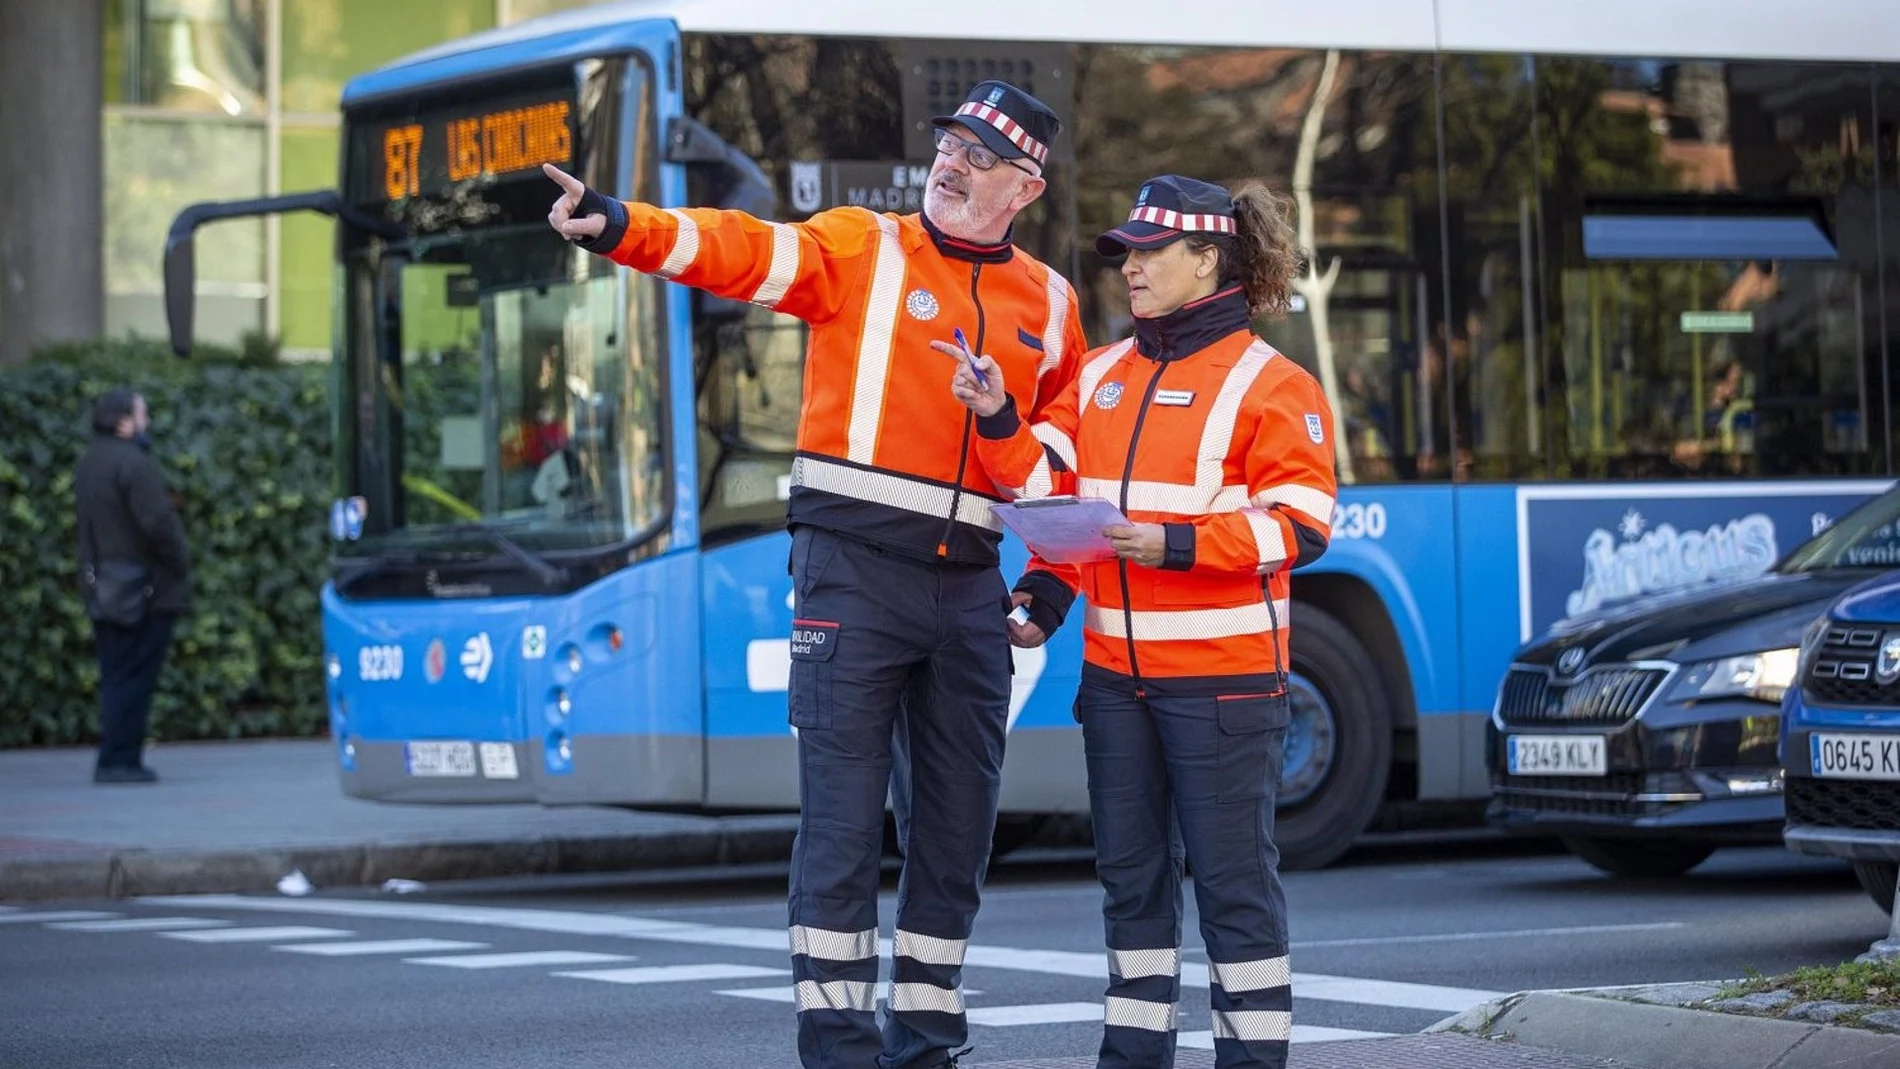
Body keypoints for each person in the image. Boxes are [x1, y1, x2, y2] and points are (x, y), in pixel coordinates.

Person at [544, 80, 1087, 1069]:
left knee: (958, 832)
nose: (951, 162)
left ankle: (925, 1042)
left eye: (978, 154)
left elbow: (1063, 465)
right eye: (949, 144)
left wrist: (1049, 580)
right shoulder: (861, 245)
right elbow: (740, 245)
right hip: (848, 573)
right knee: (839, 826)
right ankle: (838, 1049)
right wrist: (620, 225)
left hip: (969, 585)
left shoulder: (1050, 303)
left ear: (1025, 183)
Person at [947, 174, 1338, 1069]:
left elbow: (1301, 526)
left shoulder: (1273, 384)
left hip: (1226, 686)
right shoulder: (1099, 376)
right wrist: (1041, 590)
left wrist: (1170, 544)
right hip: (1117, 686)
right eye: (1124, 254)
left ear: (1208, 259)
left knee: (1235, 890)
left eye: (1150, 252)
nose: (1130, 268)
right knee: (1131, 890)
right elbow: (1053, 500)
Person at [75, 388, 192, 785]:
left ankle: (113, 754)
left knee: (115, 674)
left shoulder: (90, 461)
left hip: (105, 587)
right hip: (143, 590)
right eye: (142, 415)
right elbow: (158, 524)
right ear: (124, 421)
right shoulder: (133, 463)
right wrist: (178, 563)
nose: (147, 422)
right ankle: (121, 760)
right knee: (135, 677)